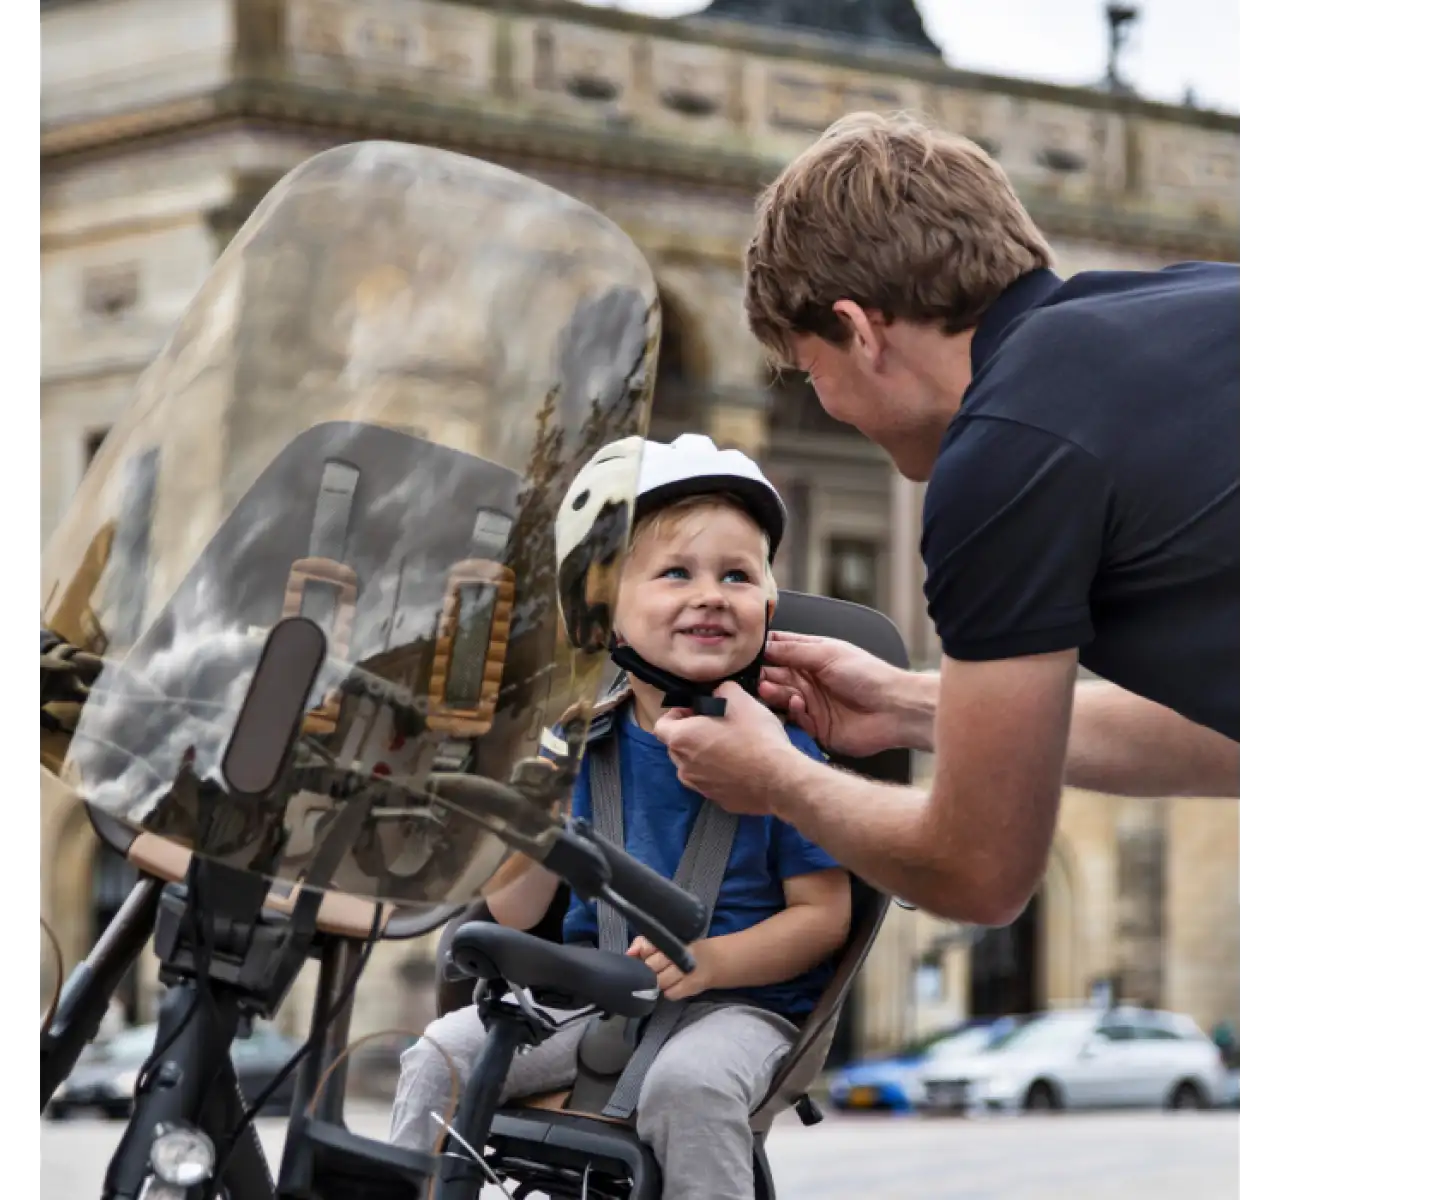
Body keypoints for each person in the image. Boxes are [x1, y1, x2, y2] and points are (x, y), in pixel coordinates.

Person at [651, 110, 1239, 927]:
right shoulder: (1200, 298)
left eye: (810, 372)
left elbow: (978, 871)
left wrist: (778, 778)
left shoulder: (1002, 451)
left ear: (859, 331)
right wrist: (914, 707)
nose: (825, 404)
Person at [388, 434, 852, 1200]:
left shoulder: (782, 753)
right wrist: (527, 815)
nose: (710, 593)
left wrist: (714, 962)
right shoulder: (577, 746)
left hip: (741, 1006)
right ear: (603, 612)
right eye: (676, 572)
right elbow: (515, 908)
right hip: (589, 998)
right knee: (442, 1053)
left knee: (688, 1089)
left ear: (767, 604)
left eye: (736, 575)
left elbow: (823, 917)